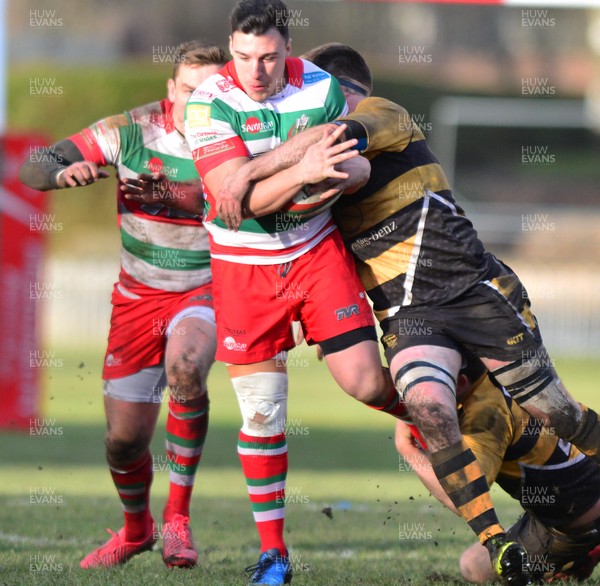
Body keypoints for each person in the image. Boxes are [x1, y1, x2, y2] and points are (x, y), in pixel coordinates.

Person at [213, 42, 600, 586]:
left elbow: (341, 165)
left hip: (471, 291)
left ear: (336, 89)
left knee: (556, 412)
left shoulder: (381, 113)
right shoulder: (318, 170)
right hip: (410, 316)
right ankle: (496, 544)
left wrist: (245, 176)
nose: (300, 101)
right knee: (426, 407)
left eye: (309, 89)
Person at [183, 3, 406, 584]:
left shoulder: (324, 88)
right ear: (230, 49)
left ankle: (448, 420)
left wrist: (265, 170)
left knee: (366, 382)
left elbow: (350, 172)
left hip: (314, 255)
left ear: (290, 50)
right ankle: (274, 555)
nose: (255, 71)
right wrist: (301, 166)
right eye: (242, 57)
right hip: (242, 268)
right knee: (263, 416)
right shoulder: (208, 100)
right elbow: (237, 205)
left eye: (269, 58)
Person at [19, 40, 227, 569]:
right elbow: (34, 165)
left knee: (185, 370)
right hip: (137, 299)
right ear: (169, 91)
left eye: (207, 94)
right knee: (123, 442)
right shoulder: (131, 130)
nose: (194, 105)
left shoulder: (237, 139)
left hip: (204, 290)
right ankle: (138, 531)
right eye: (186, 92)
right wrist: (63, 172)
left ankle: (178, 520)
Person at [395, 355, 600, 584]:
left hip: (574, 520)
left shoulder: (484, 416)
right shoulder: (503, 364)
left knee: (472, 565)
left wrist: (407, 448)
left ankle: (580, 553)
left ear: (461, 382)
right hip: (585, 479)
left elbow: (463, 498)